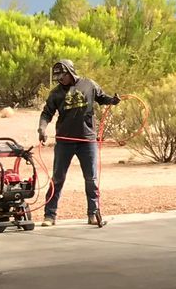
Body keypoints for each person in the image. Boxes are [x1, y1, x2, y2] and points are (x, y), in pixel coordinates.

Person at [37, 59, 121, 227]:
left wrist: (113, 100)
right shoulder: (56, 93)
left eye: (63, 76)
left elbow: (102, 98)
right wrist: (42, 128)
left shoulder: (89, 84)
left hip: (87, 140)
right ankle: (50, 215)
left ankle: (93, 214)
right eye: (58, 77)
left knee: (91, 178)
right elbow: (47, 113)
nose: (61, 79)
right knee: (58, 178)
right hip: (64, 141)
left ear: (71, 72)